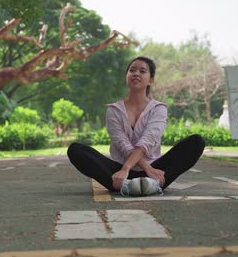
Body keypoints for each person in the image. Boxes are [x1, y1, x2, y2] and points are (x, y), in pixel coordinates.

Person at [67, 56, 205, 196]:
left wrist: (149, 169)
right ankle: (134, 185)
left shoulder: (159, 109)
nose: (136, 73)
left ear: (150, 80)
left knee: (196, 142)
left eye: (142, 71)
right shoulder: (113, 110)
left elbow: (148, 140)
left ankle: (148, 183)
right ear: (126, 77)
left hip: (153, 170)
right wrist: (126, 169)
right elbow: (122, 143)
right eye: (132, 70)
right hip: (118, 172)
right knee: (76, 150)